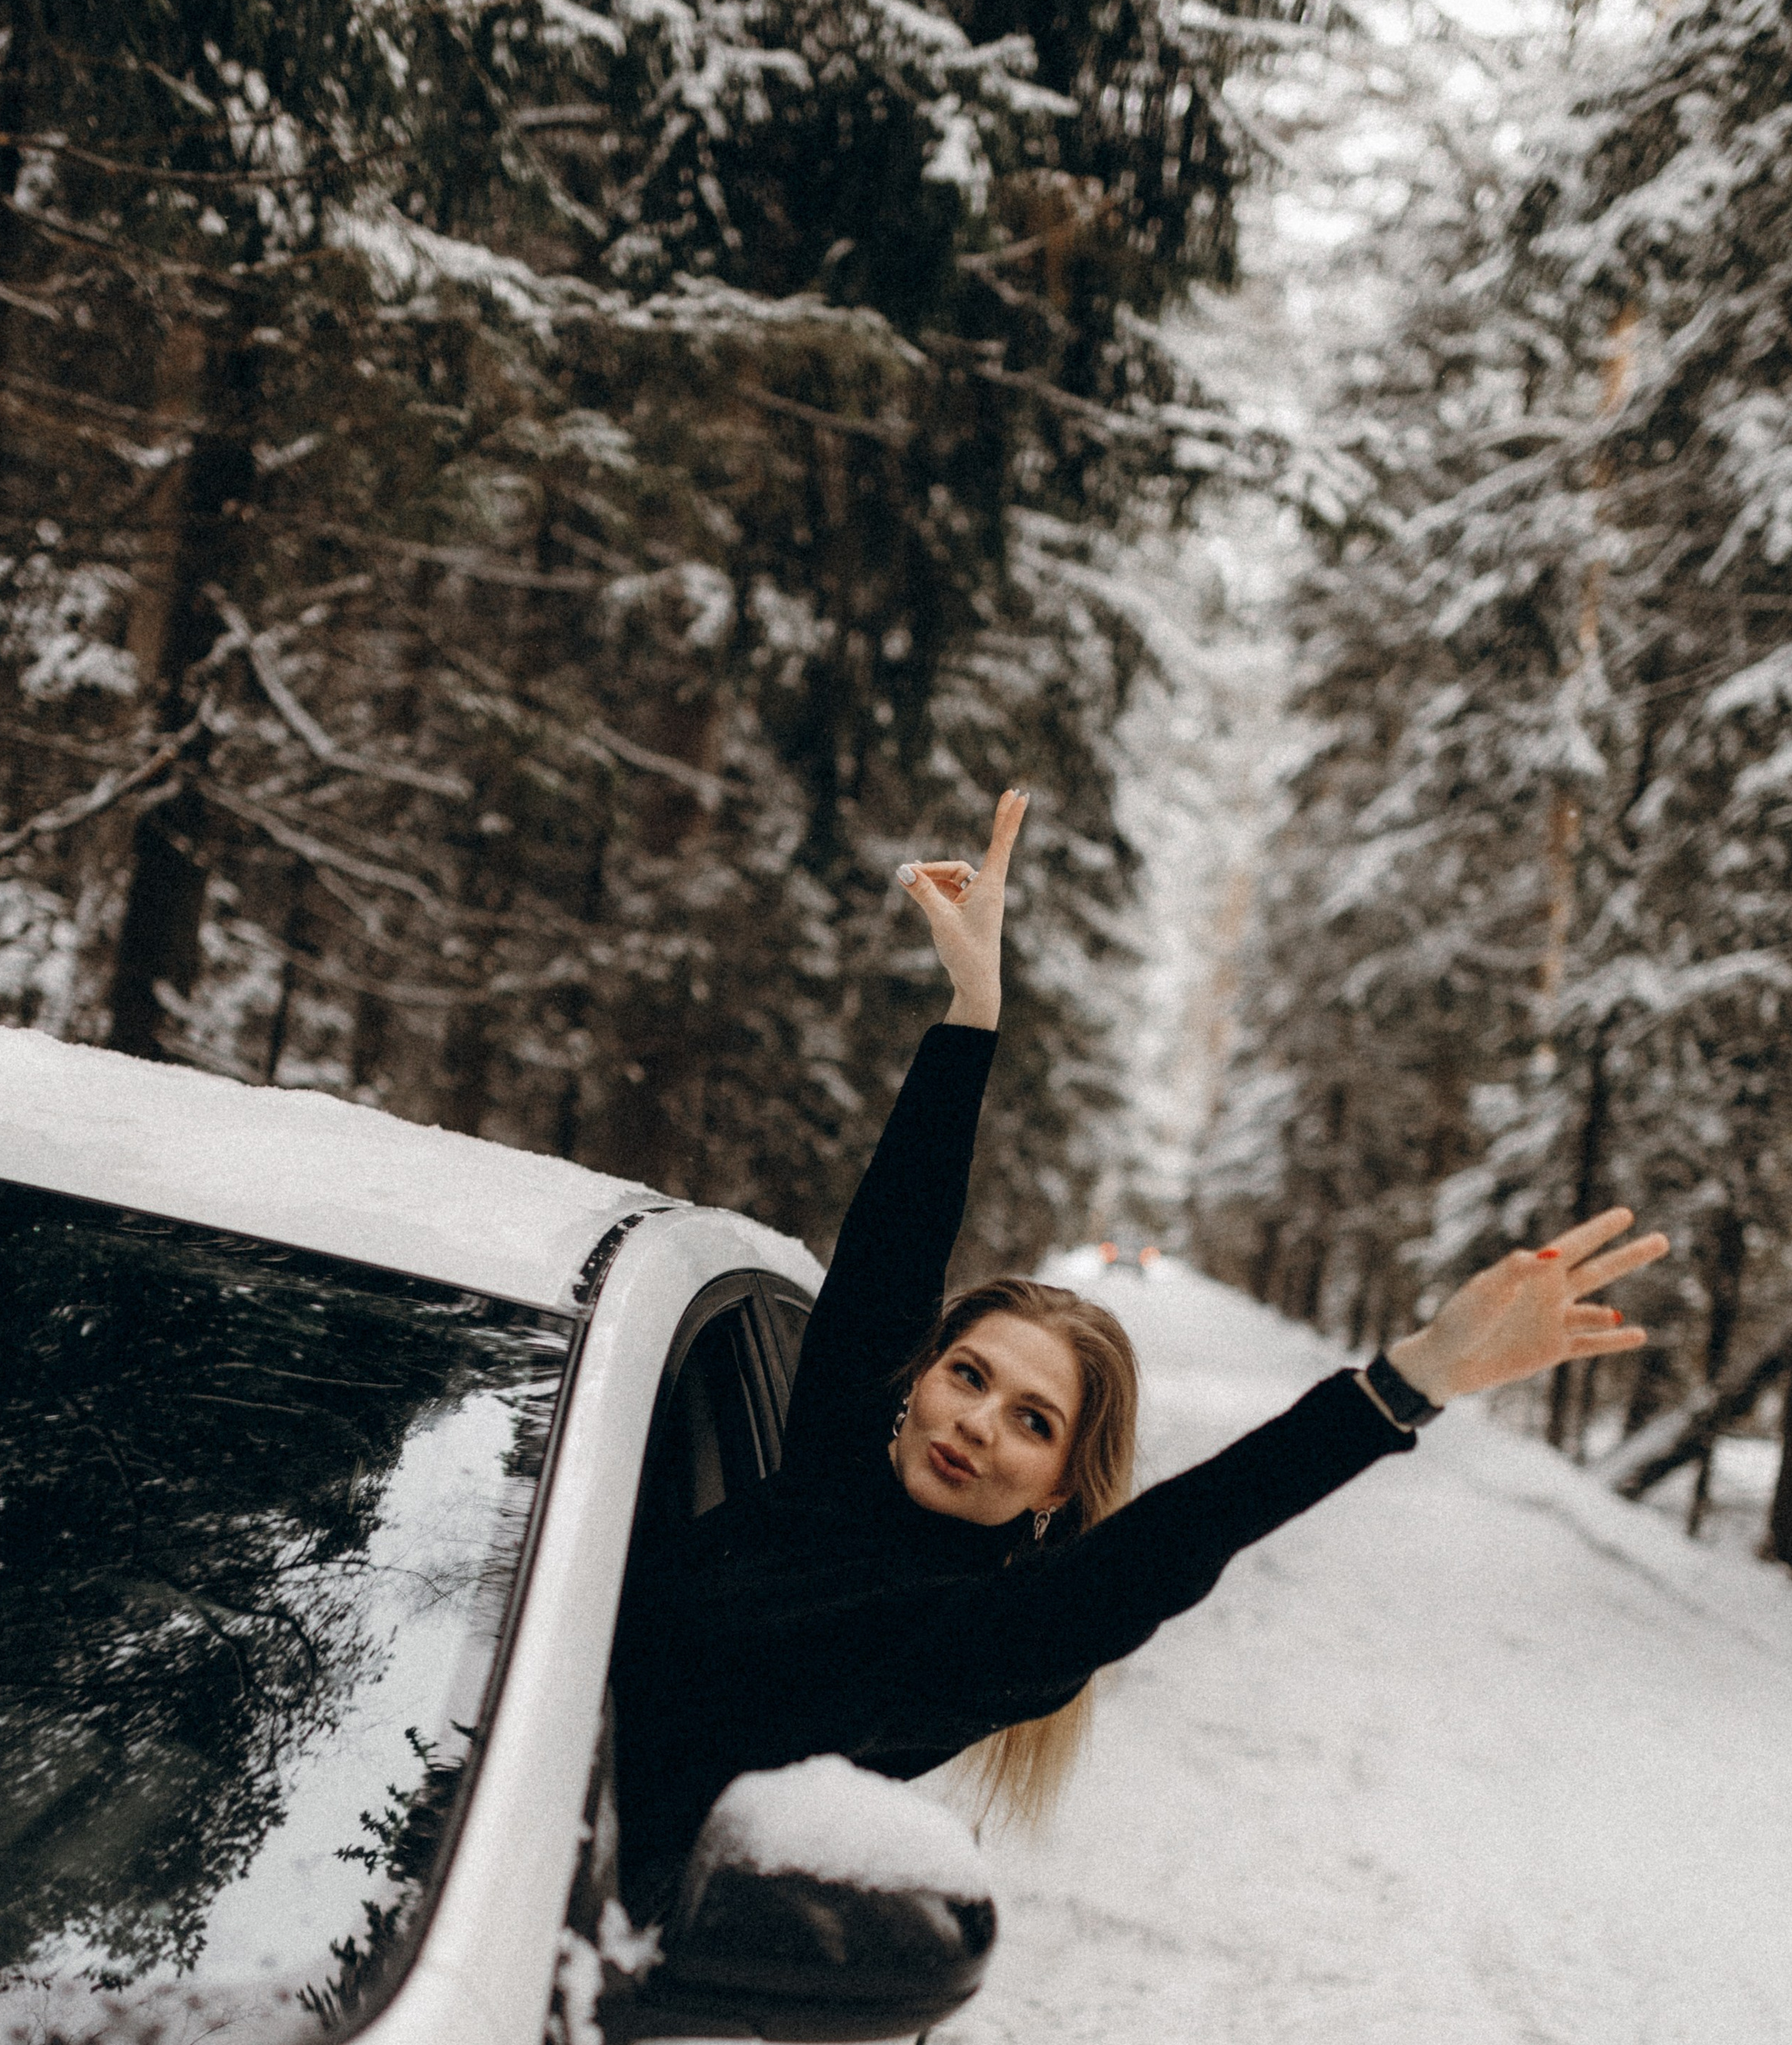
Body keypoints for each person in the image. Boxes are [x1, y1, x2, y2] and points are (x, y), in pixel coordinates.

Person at [613, 790, 1668, 1876]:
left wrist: (1406, 1386)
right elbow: (892, 1251)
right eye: (967, 1375)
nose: (976, 1423)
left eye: (1031, 1421)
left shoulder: (972, 1642)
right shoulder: (834, 1461)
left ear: (1062, 1486)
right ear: (916, 1380)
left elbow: (1166, 1549)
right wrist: (973, 1008)